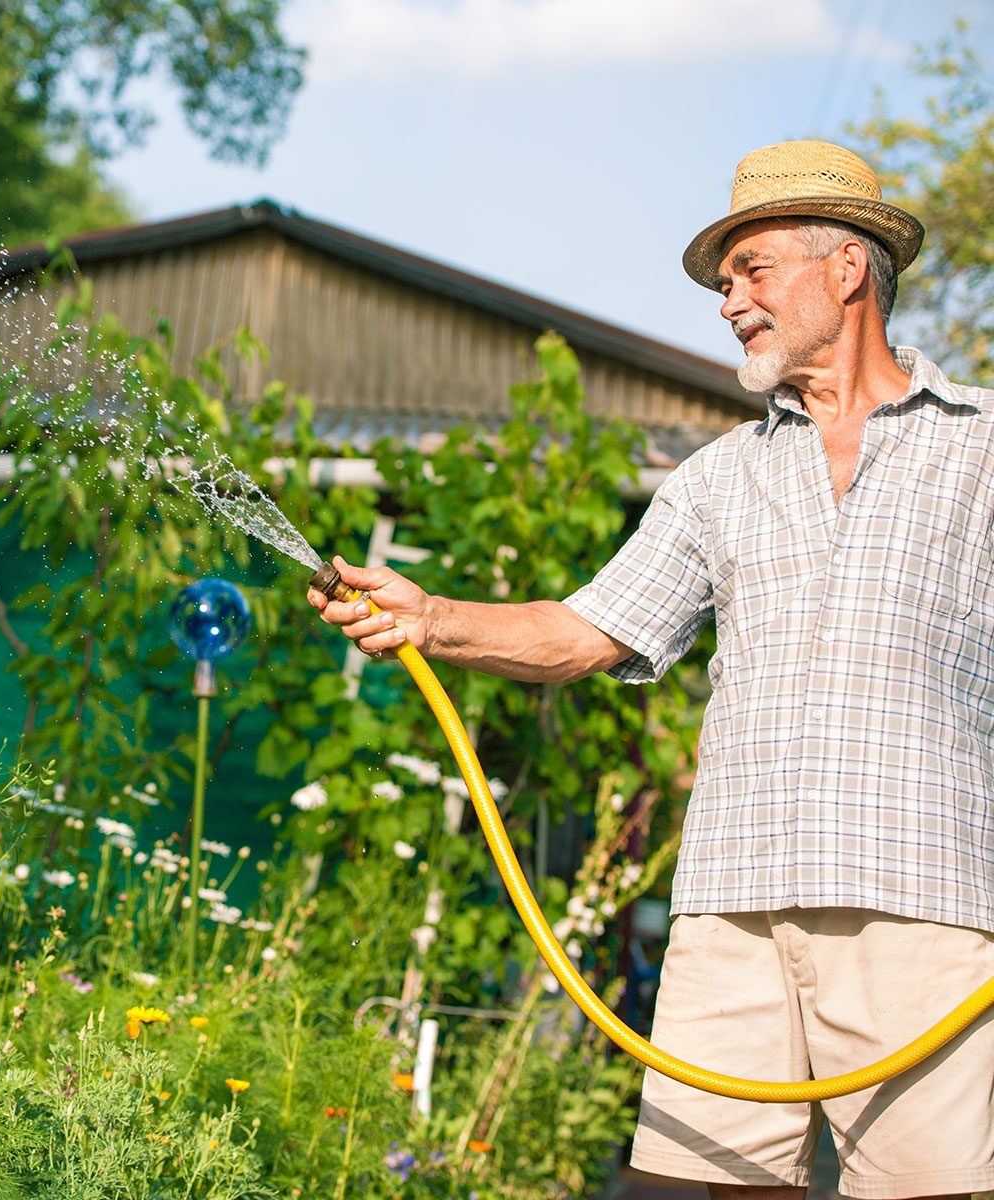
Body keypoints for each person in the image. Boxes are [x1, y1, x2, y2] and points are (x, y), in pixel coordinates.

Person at [308, 139, 994, 1199]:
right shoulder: (717, 479)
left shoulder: (983, 449)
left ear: (846, 269)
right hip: (732, 905)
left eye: (751, 270)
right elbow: (586, 632)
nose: (729, 303)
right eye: (726, 283)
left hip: (921, 900)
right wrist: (433, 617)